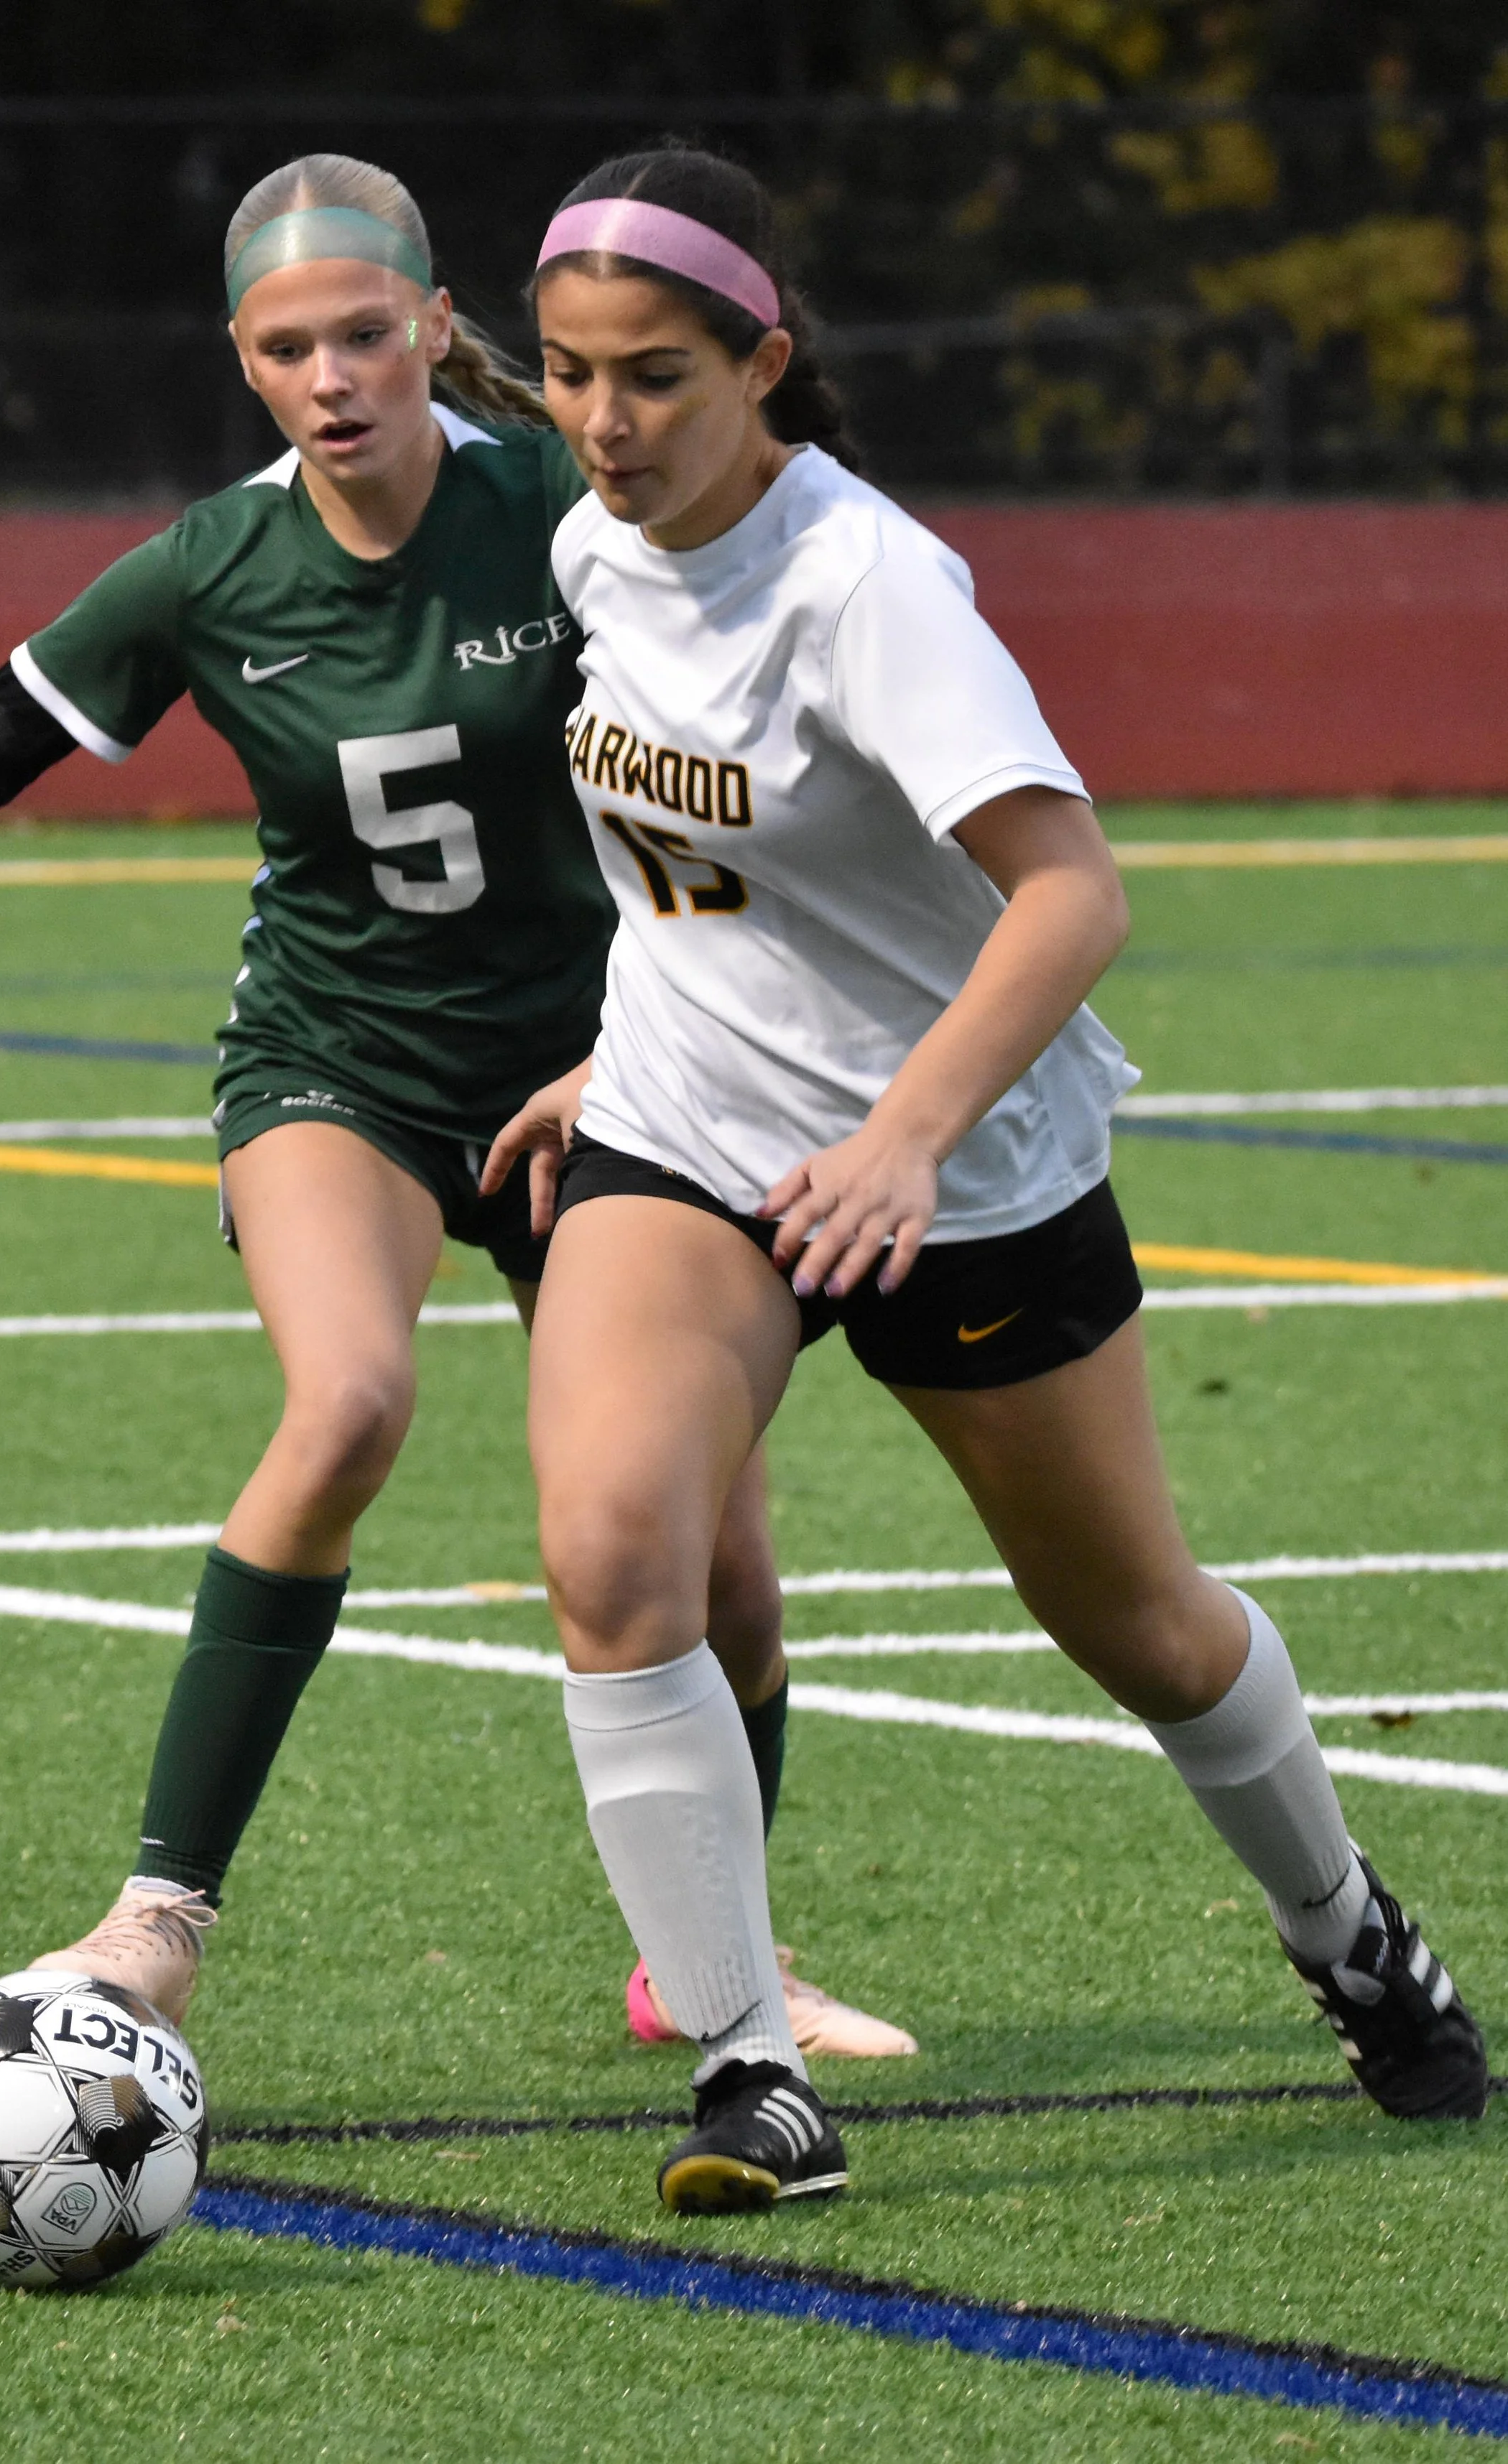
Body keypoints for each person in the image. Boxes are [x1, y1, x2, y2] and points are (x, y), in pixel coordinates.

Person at [0, 151, 910, 2061]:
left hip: (609, 1069)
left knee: (714, 1553)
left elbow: (781, 664)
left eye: (366, 332)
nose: (332, 374)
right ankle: (156, 1917)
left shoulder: (565, 505)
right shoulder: (210, 569)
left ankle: (721, 1969)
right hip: (342, 1056)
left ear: (437, 331)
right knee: (350, 1399)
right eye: (289, 344)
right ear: (244, 360)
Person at [485, 143, 1487, 2215]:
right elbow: (698, 868)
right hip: (686, 1136)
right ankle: (748, 2069)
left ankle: (1349, 1934)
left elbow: (1068, 896)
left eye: (655, 375)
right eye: (573, 372)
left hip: (960, 1165)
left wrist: (908, 1130)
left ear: (763, 360)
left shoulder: (870, 586)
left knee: (1131, 1617)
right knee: (608, 1555)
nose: (603, 422)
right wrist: (625, 1036)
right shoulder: (595, 548)